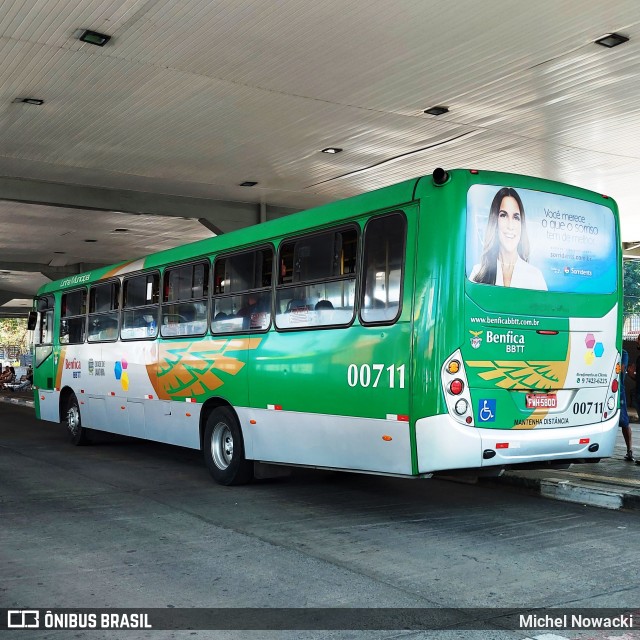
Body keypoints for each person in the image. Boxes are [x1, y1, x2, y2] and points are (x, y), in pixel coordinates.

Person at [470, 187, 547, 290]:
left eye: (516, 217)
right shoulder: (478, 273)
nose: (510, 226)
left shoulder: (535, 276)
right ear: (495, 221)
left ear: (521, 224)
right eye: (503, 215)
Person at [620, 349, 634, 461]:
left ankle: (629, 450)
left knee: (624, 421)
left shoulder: (623, 353)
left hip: (619, 392)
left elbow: (622, 371)